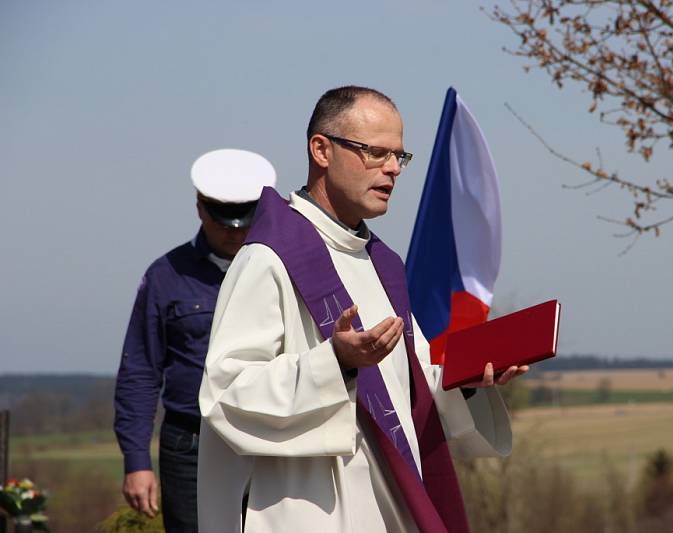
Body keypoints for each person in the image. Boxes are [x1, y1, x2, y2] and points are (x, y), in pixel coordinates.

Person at [197, 86, 527, 532]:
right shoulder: (269, 257)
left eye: (399, 157)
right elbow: (226, 393)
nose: (392, 169)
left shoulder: (382, 264)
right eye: (375, 153)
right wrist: (335, 363)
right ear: (321, 150)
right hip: (308, 507)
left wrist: (469, 377)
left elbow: (409, 385)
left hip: (388, 503)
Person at [113, 149, 277, 532]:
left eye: (245, 221)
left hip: (270, 443)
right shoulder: (165, 276)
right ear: (200, 208)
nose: (235, 231)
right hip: (190, 445)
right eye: (225, 222)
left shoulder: (283, 271)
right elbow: (139, 371)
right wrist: (136, 460)